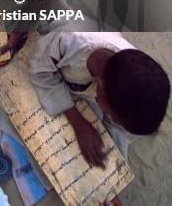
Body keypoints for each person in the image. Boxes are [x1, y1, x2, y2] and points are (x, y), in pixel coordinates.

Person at [29, 29, 170, 164]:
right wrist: (78, 123)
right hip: (64, 75)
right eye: (111, 115)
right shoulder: (69, 42)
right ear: (100, 88)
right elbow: (40, 72)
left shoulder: (130, 65)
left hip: (92, 92)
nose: (111, 118)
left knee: (114, 144)